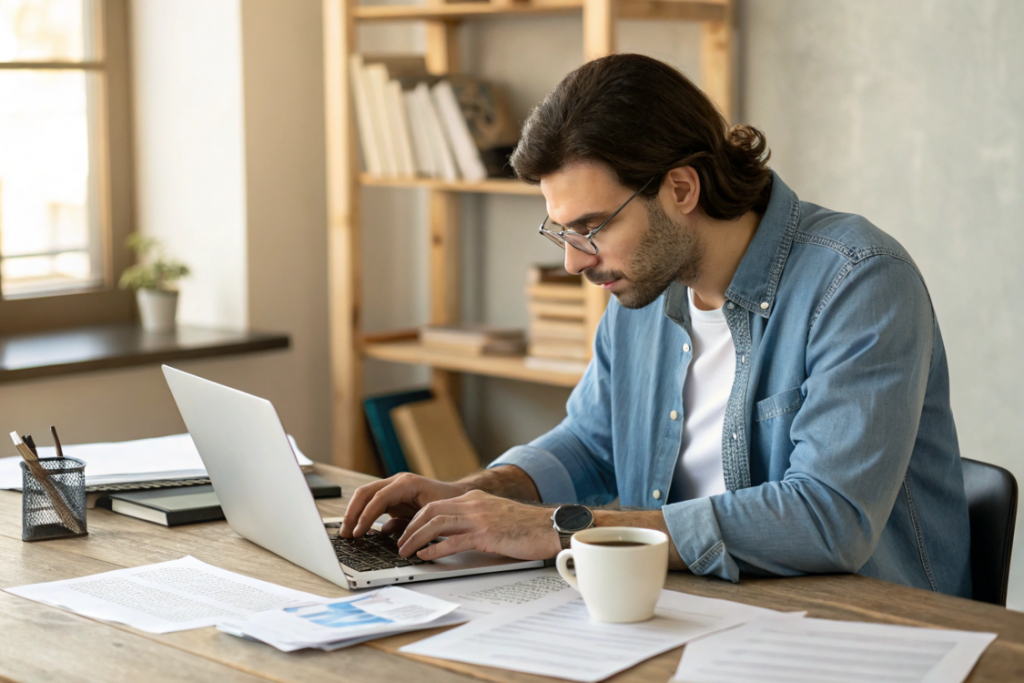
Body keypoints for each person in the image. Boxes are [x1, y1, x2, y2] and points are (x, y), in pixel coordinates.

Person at [340, 53, 971, 598]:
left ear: (680, 188)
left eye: (591, 227)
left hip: (865, 631)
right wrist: (472, 496)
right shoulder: (643, 290)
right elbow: (592, 443)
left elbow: (829, 518)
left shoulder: (857, 280)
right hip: (696, 609)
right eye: (562, 230)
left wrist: (552, 527)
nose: (573, 260)